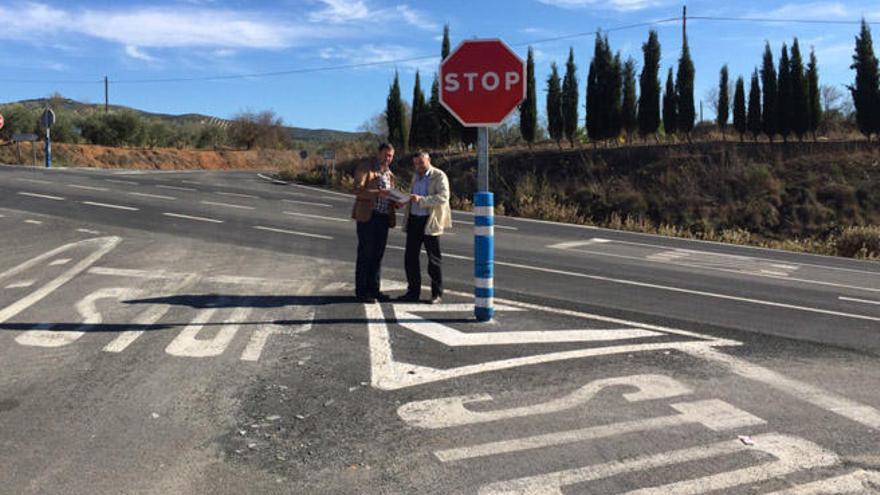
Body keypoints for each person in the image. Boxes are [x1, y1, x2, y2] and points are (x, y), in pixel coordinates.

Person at [396, 151, 452, 304]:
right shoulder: (415, 176)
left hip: (429, 221)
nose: (418, 166)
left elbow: (443, 197)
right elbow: (413, 196)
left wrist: (422, 200)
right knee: (410, 258)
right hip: (414, 219)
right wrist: (405, 200)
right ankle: (413, 292)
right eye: (416, 163)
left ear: (429, 160)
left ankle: (436, 293)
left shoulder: (439, 175)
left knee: (433, 259)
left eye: (421, 163)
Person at [352, 142, 397, 303]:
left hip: (383, 218)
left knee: (378, 255)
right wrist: (378, 193)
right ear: (378, 154)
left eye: (391, 156)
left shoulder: (389, 174)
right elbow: (357, 189)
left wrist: (396, 201)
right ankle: (362, 291)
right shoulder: (366, 167)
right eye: (386, 154)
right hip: (368, 216)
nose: (388, 158)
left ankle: (374, 289)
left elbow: (388, 196)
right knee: (365, 254)